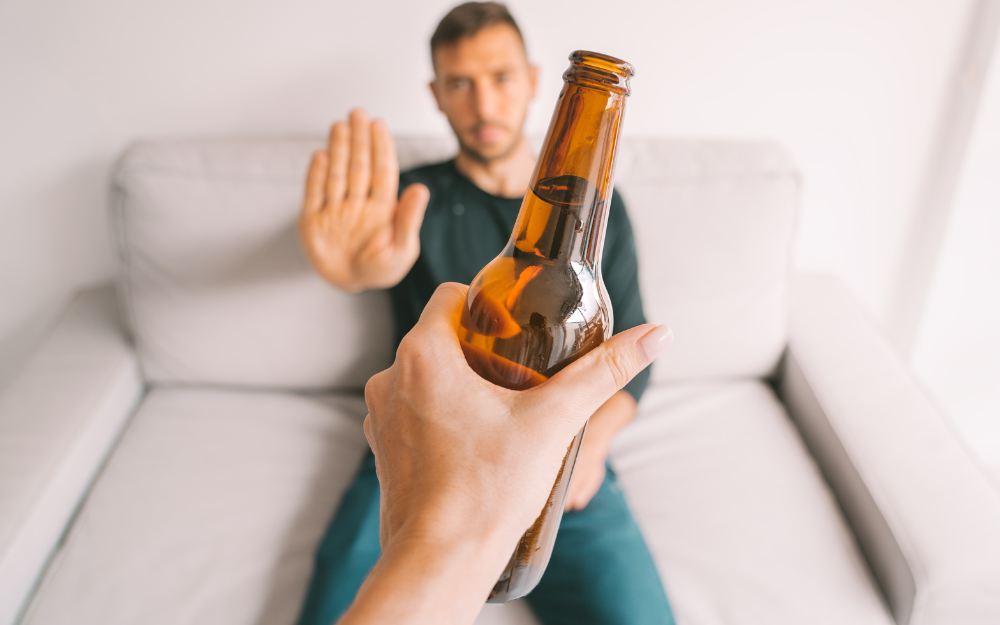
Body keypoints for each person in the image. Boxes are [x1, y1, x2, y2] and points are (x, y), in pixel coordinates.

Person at [297, 3, 676, 624]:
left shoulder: (602, 219)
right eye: (460, 84)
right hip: (422, 438)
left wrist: (591, 448)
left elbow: (630, 362)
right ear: (437, 96)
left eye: (499, 78)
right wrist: (351, 272)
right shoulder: (409, 196)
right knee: (335, 597)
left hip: (555, 450)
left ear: (531, 81)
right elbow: (378, 262)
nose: (482, 103)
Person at [337, 283, 673, 624]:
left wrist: (590, 444)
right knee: (339, 591)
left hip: (564, 445)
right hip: (424, 436)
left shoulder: (604, 240)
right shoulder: (429, 228)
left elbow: (630, 372)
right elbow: (370, 268)